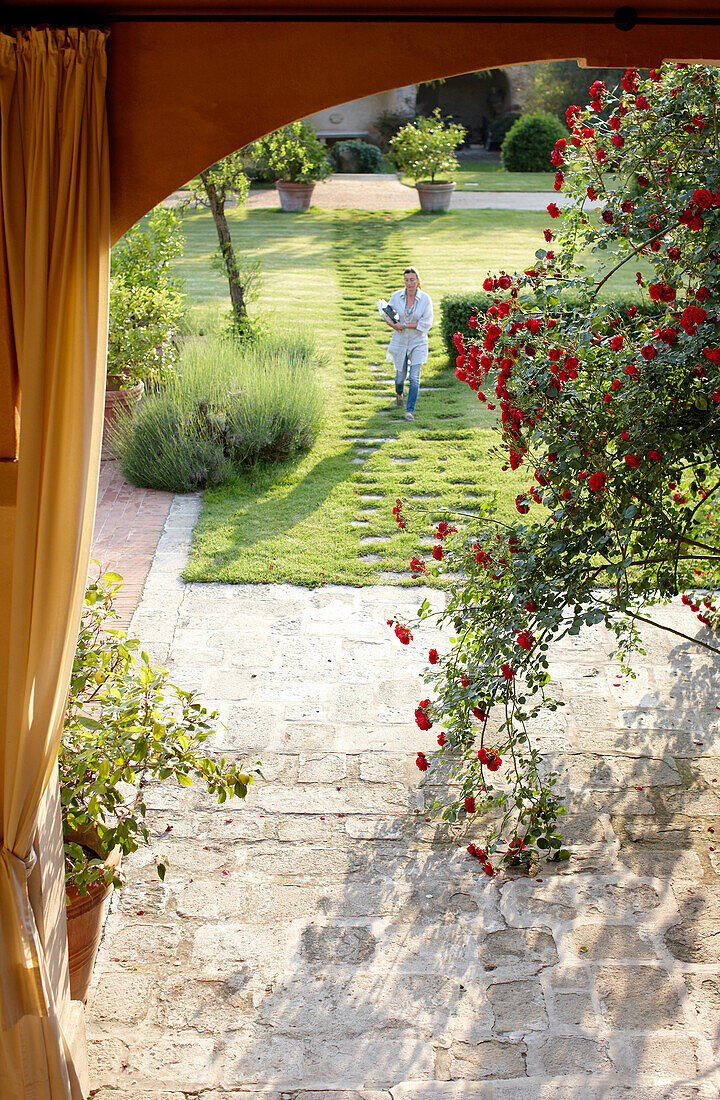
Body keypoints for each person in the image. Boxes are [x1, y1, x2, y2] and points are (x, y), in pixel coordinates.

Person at [383, 266, 433, 422]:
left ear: (418, 280)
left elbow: (426, 324)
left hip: (418, 341)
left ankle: (409, 411)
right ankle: (399, 393)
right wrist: (394, 325)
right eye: (406, 280)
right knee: (400, 377)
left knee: (414, 378)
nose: (409, 283)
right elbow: (387, 315)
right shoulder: (396, 297)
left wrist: (404, 325)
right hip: (400, 341)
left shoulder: (425, 299)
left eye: (412, 280)